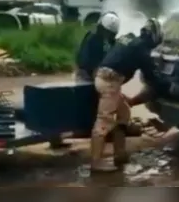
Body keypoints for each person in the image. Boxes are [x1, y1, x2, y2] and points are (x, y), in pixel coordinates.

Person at [90, 18, 166, 172]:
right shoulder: (142, 50)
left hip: (104, 78)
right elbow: (152, 79)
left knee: (124, 113)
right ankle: (95, 163)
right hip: (110, 82)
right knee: (104, 122)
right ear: (154, 36)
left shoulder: (129, 37)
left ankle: (120, 154)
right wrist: (165, 86)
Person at [49, 11, 120, 150]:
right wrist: (98, 78)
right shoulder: (92, 39)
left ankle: (94, 131)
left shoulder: (109, 41)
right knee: (84, 106)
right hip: (87, 75)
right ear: (102, 28)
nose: (109, 35)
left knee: (96, 107)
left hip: (97, 75)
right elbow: (86, 61)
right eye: (108, 33)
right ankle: (61, 134)